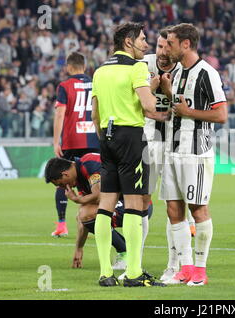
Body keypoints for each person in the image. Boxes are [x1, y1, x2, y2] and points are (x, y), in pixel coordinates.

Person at [91, 22, 165, 287]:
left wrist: (105, 138)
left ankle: (105, 273)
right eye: (143, 40)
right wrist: (155, 91)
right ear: (128, 42)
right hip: (131, 138)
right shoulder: (137, 67)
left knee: (105, 206)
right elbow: (148, 106)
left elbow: (95, 114)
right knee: (135, 205)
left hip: (106, 138)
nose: (146, 45)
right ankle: (133, 273)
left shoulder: (99, 71)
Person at [160, 23, 228, 286]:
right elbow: (180, 104)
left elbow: (221, 114)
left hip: (196, 153)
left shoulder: (207, 73)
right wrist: (167, 91)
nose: (168, 48)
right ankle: (185, 268)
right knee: (173, 209)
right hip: (172, 150)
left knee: (198, 210)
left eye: (172, 43)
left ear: (186, 44)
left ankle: (200, 270)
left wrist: (190, 113)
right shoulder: (177, 72)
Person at [140, 28, 196, 283]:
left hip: (177, 143)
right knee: (140, 203)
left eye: (167, 47)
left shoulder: (186, 70)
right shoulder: (143, 65)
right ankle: (135, 262)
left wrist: (169, 90)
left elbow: (189, 108)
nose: (163, 52)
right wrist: (150, 90)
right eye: (160, 47)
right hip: (146, 142)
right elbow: (132, 104)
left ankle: (174, 265)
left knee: (173, 205)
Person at [44, 154, 153, 270]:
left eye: (60, 183)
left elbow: (99, 196)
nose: (63, 187)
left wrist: (77, 199)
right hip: (124, 202)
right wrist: (79, 248)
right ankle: (126, 250)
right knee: (83, 214)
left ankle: (126, 253)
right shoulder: (79, 175)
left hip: (137, 204)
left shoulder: (89, 164)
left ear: (65, 174)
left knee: (87, 213)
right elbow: (83, 218)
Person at [52, 52, 99, 238]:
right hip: (94, 139)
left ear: (68, 67)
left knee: (63, 182)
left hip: (72, 141)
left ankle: (62, 224)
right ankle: (97, 218)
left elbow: (59, 113)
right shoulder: (96, 83)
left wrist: (56, 141)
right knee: (97, 180)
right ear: (85, 67)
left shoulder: (64, 86)